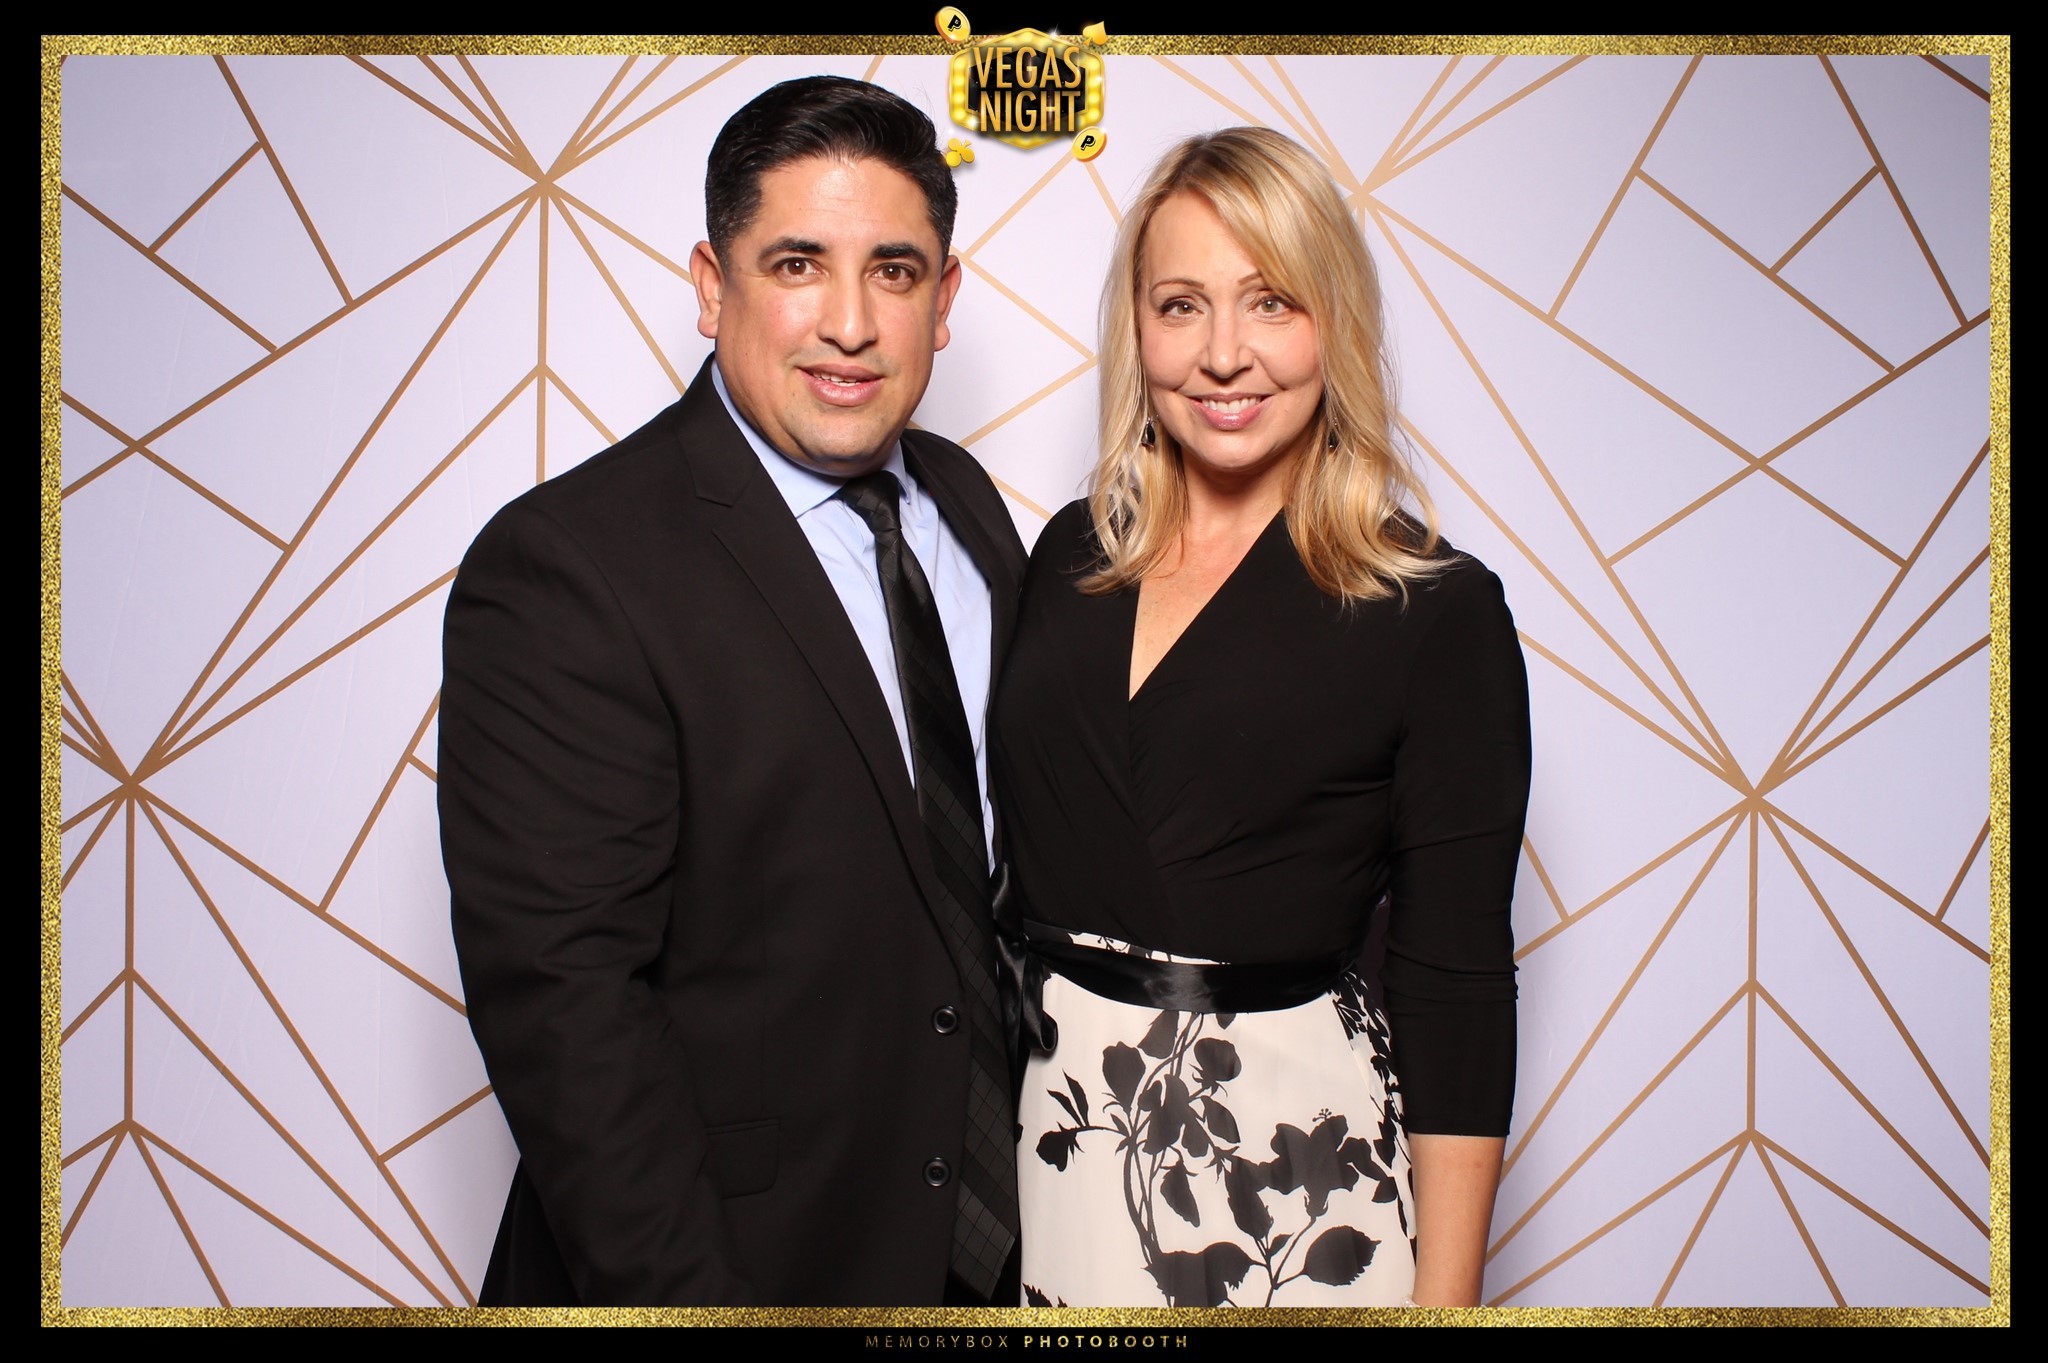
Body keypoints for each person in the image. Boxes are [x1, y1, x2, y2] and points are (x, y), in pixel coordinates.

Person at [439, 76, 1027, 1306]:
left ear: (943, 301)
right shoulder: (568, 566)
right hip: (727, 1266)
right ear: (712, 288)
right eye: (797, 264)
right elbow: (567, 1013)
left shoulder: (968, 507)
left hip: (978, 1252)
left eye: (894, 271)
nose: (850, 324)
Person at [992, 127, 1530, 1308]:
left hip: (1278, 1182)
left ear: (1333, 322)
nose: (1223, 353)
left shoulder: (1432, 612)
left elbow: (1454, 987)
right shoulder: (1070, 555)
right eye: (1180, 305)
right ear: (1137, 329)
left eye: (1270, 301)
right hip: (1046, 1148)